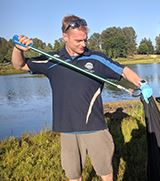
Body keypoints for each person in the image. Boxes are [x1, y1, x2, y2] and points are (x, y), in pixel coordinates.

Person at [11, 15, 152, 181]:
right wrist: (18, 49)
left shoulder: (96, 58)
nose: (83, 44)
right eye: (78, 40)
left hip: (95, 127)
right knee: (73, 175)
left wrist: (142, 83)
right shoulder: (52, 60)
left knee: (105, 173)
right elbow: (19, 65)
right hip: (68, 129)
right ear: (65, 37)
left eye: (85, 40)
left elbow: (123, 71)